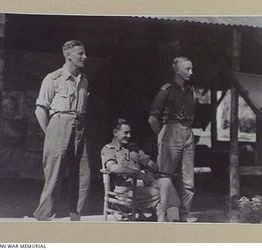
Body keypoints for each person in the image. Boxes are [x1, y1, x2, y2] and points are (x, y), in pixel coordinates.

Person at [33, 40, 90, 221]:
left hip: (79, 127)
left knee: (82, 174)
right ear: (68, 55)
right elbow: (40, 110)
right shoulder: (53, 79)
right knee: (54, 174)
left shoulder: (84, 80)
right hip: (59, 125)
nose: (84, 57)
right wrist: (50, 133)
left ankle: (76, 215)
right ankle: (44, 216)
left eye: (84, 53)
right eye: (80, 53)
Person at [101, 118, 180, 222]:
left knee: (166, 182)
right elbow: (113, 168)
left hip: (144, 187)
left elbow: (155, 167)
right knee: (164, 194)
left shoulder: (134, 149)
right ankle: (169, 220)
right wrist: (139, 174)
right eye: (126, 133)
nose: (129, 136)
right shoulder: (109, 149)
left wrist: (145, 160)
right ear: (115, 132)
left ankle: (170, 220)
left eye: (130, 133)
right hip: (126, 190)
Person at [148, 56, 196, 222]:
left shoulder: (190, 91)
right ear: (177, 70)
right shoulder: (167, 89)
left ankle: (182, 217)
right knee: (165, 177)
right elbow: (153, 118)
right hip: (171, 131)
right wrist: (162, 135)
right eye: (187, 69)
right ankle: (165, 215)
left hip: (188, 133)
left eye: (191, 68)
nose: (191, 72)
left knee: (189, 182)